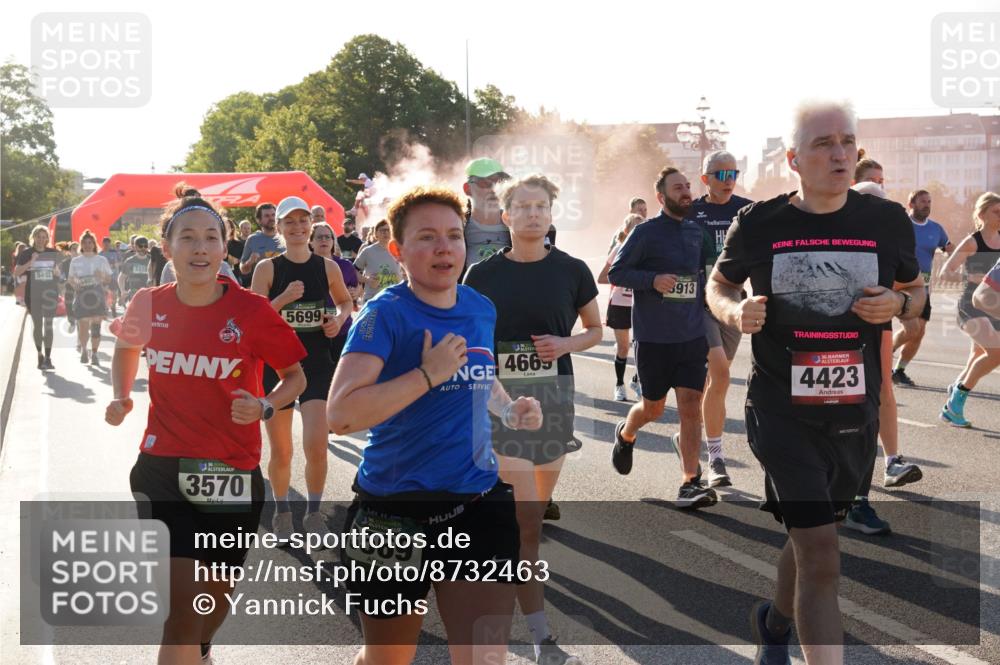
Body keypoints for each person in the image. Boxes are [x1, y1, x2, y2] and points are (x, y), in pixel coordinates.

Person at [707, 100, 923, 665]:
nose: (839, 153)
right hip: (782, 410)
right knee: (823, 554)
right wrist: (734, 311)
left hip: (854, 411)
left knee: (813, 536)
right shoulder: (760, 222)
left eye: (847, 142)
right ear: (793, 159)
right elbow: (719, 284)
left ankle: (775, 622)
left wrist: (900, 303)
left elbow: (916, 291)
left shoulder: (886, 221)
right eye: (823, 143)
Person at [326, 185, 542, 665]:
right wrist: (426, 375)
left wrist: (509, 409)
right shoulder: (383, 315)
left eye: (453, 235)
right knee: (387, 659)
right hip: (394, 513)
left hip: (477, 504)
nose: (444, 248)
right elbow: (341, 414)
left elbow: (480, 373)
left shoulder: (479, 307)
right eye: (427, 237)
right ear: (398, 250)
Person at [106, 186, 306, 665]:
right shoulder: (147, 303)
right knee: (180, 613)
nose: (200, 248)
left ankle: (201, 647)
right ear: (167, 247)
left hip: (230, 472)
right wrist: (120, 395)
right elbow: (127, 346)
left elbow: (296, 377)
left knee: (212, 603)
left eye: (211, 237)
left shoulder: (252, 312)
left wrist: (264, 406)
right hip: (161, 468)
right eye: (188, 237)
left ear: (224, 246)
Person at [464, 174, 600, 665]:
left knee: (533, 521)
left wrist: (565, 344)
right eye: (522, 207)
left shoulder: (572, 269)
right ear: (505, 217)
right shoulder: (481, 275)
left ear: (551, 214)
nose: (532, 214)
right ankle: (539, 634)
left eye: (540, 206)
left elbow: (595, 329)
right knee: (522, 523)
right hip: (501, 405)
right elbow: (468, 336)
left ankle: (516, 597)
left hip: (554, 401)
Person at [608, 167, 717, 510]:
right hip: (654, 337)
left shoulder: (697, 232)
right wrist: (652, 280)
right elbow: (616, 272)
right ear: (661, 196)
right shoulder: (645, 232)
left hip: (691, 334)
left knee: (690, 407)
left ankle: (690, 482)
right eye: (677, 188)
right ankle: (626, 433)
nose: (685, 192)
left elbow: (710, 272)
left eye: (687, 186)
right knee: (653, 408)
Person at [252, 196, 353, 542]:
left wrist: (337, 320)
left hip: (316, 363)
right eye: (289, 222)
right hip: (277, 367)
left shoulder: (327, 267)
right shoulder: (268, 269)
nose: (297, 227)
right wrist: (283, 300)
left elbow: (345, 302)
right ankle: (282, 512)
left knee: (316, 445)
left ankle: (312, 512)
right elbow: (253, 318)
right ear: (278, 227)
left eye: (302, 220)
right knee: (282, 451)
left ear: (311, 225)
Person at [838, 179, 923, 538]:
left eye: (883, 205)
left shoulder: (887, 241)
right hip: (819, 350)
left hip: (871, 341)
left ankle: (859, 500)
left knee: (864, 417)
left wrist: (902, 304)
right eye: (868, 204)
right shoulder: (824, 236)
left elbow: (911, 288)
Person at [690, 150, 753, 488]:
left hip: (732, 304)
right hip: (699, 304)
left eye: (733, 174)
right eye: (721, 175)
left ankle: (689, 435)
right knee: (721, 373)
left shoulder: (747, 211)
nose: (729, 181)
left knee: (712, 384)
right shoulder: (691, 211)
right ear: (705, 179)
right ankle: (716, 459)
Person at [940, 191, 1000, 427]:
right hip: (970, 305)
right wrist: (969, 277)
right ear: (982, 214)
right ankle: (954, 404)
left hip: (994, 306)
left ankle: (956, 389)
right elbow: (945, 273)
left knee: (978, 355)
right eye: (996, 212)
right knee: (995, 352)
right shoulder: (972, 241)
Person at [890, 189, 953, 386]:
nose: (927, 204)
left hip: (923, 289)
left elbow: (950, 249)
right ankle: (885, 352)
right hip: (900, 285)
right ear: (911, 204)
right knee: (912, 329)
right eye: (923, 201)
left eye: (929, 201)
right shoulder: (901, 224)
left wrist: (956, 259)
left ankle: (899, 370)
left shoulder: (936, 228)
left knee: (919, 332)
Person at [598, 213, 645, 401]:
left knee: (644, 346)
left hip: (641, 303)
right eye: (634, 227)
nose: (638, 230)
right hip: (619, 303)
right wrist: (624, 278)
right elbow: (602, 277)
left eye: (641, 226)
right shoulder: (619, 248)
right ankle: (619, 385)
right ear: (626, 230)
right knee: (624, 348)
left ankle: (636, 380)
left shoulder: (648, 249)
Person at [310, 221, 361, 368]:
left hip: (342, 328)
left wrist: (355, 292)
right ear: (311, 242)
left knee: (341, 373)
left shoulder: (345, 265)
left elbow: (357, 288)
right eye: (319, 237)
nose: (324, 240)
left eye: (328, 237)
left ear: (333, 241)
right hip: (313, 330)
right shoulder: (303, 266)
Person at [14, 226, 63, 370]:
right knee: (37, 325)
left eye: (44, 237)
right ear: (33, 237)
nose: (41, 240)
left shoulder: (53, 253)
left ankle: (48, 358)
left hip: (50, 293)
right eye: (38, 237)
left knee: (48, 325)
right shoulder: (26, 253)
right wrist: (31, 262)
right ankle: (39, 354)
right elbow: (17, 272)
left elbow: (60, 275)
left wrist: (57, 272)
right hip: (33, 293)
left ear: (47, 238)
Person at [69, 230, 114, 366]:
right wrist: (75, 284)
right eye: (85, 243)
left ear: (94, 244)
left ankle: (94, 353)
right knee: (83, 326)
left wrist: (101, 276)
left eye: (90, 242)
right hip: (82, 295)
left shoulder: (101, 260)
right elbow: (71, 278)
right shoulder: (76, 261)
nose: (87, 245)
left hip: (97, 295)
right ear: (81, 244)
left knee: (95, 328)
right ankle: (84, 350)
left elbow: (109, 279)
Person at [463, 157, 512, 268]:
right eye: (484, 183)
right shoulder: (458, 226)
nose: (493, 189)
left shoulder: (517, 224)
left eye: (498, 182)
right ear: (467, 189)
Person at [354, 219, 404, 303]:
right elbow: (353, 270)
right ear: (376, 233)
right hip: (373, 299)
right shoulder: (368, 251)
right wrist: (367, 280)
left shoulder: (400, 250)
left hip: (395, 299)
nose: (386, 233)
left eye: (388, 230)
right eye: (382, 230)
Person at [239, 202, 283, 280]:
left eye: (273, 215)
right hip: (261, 285)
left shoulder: (286, 237)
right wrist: (250, 261)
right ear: (259, 220)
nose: (271, 218)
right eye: (267, 216)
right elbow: (243, 270)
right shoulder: (252, 239)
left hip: (285, 284)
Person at [118, 235, 152, 306]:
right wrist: (122, 291)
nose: (143, 248)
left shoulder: (152, 260)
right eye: (140, 246)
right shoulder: (129, 261)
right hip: (134, 295)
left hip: (149, 294)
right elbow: (121, 277)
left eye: (145, 246)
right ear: (135, 247)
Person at [100, 236, 122, 316]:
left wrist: (115, 265)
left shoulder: (115, 252)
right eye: (105, 244)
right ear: (102, 244)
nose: (106, 245)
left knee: (114, 293)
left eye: (108, 244)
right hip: (104, 277)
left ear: (110, 244)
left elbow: (121, 262)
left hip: (113, 276)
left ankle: (113, 307)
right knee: (104, 293)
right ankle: (105, 308)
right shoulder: (100, 254)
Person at [227, 219, 251, 286]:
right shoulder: (234, 242)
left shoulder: (254, 242)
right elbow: (229, 259)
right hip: (237, 274)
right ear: (240, 229)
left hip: (251, 274)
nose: (247, 230)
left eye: (248, 228)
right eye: (245, 228)